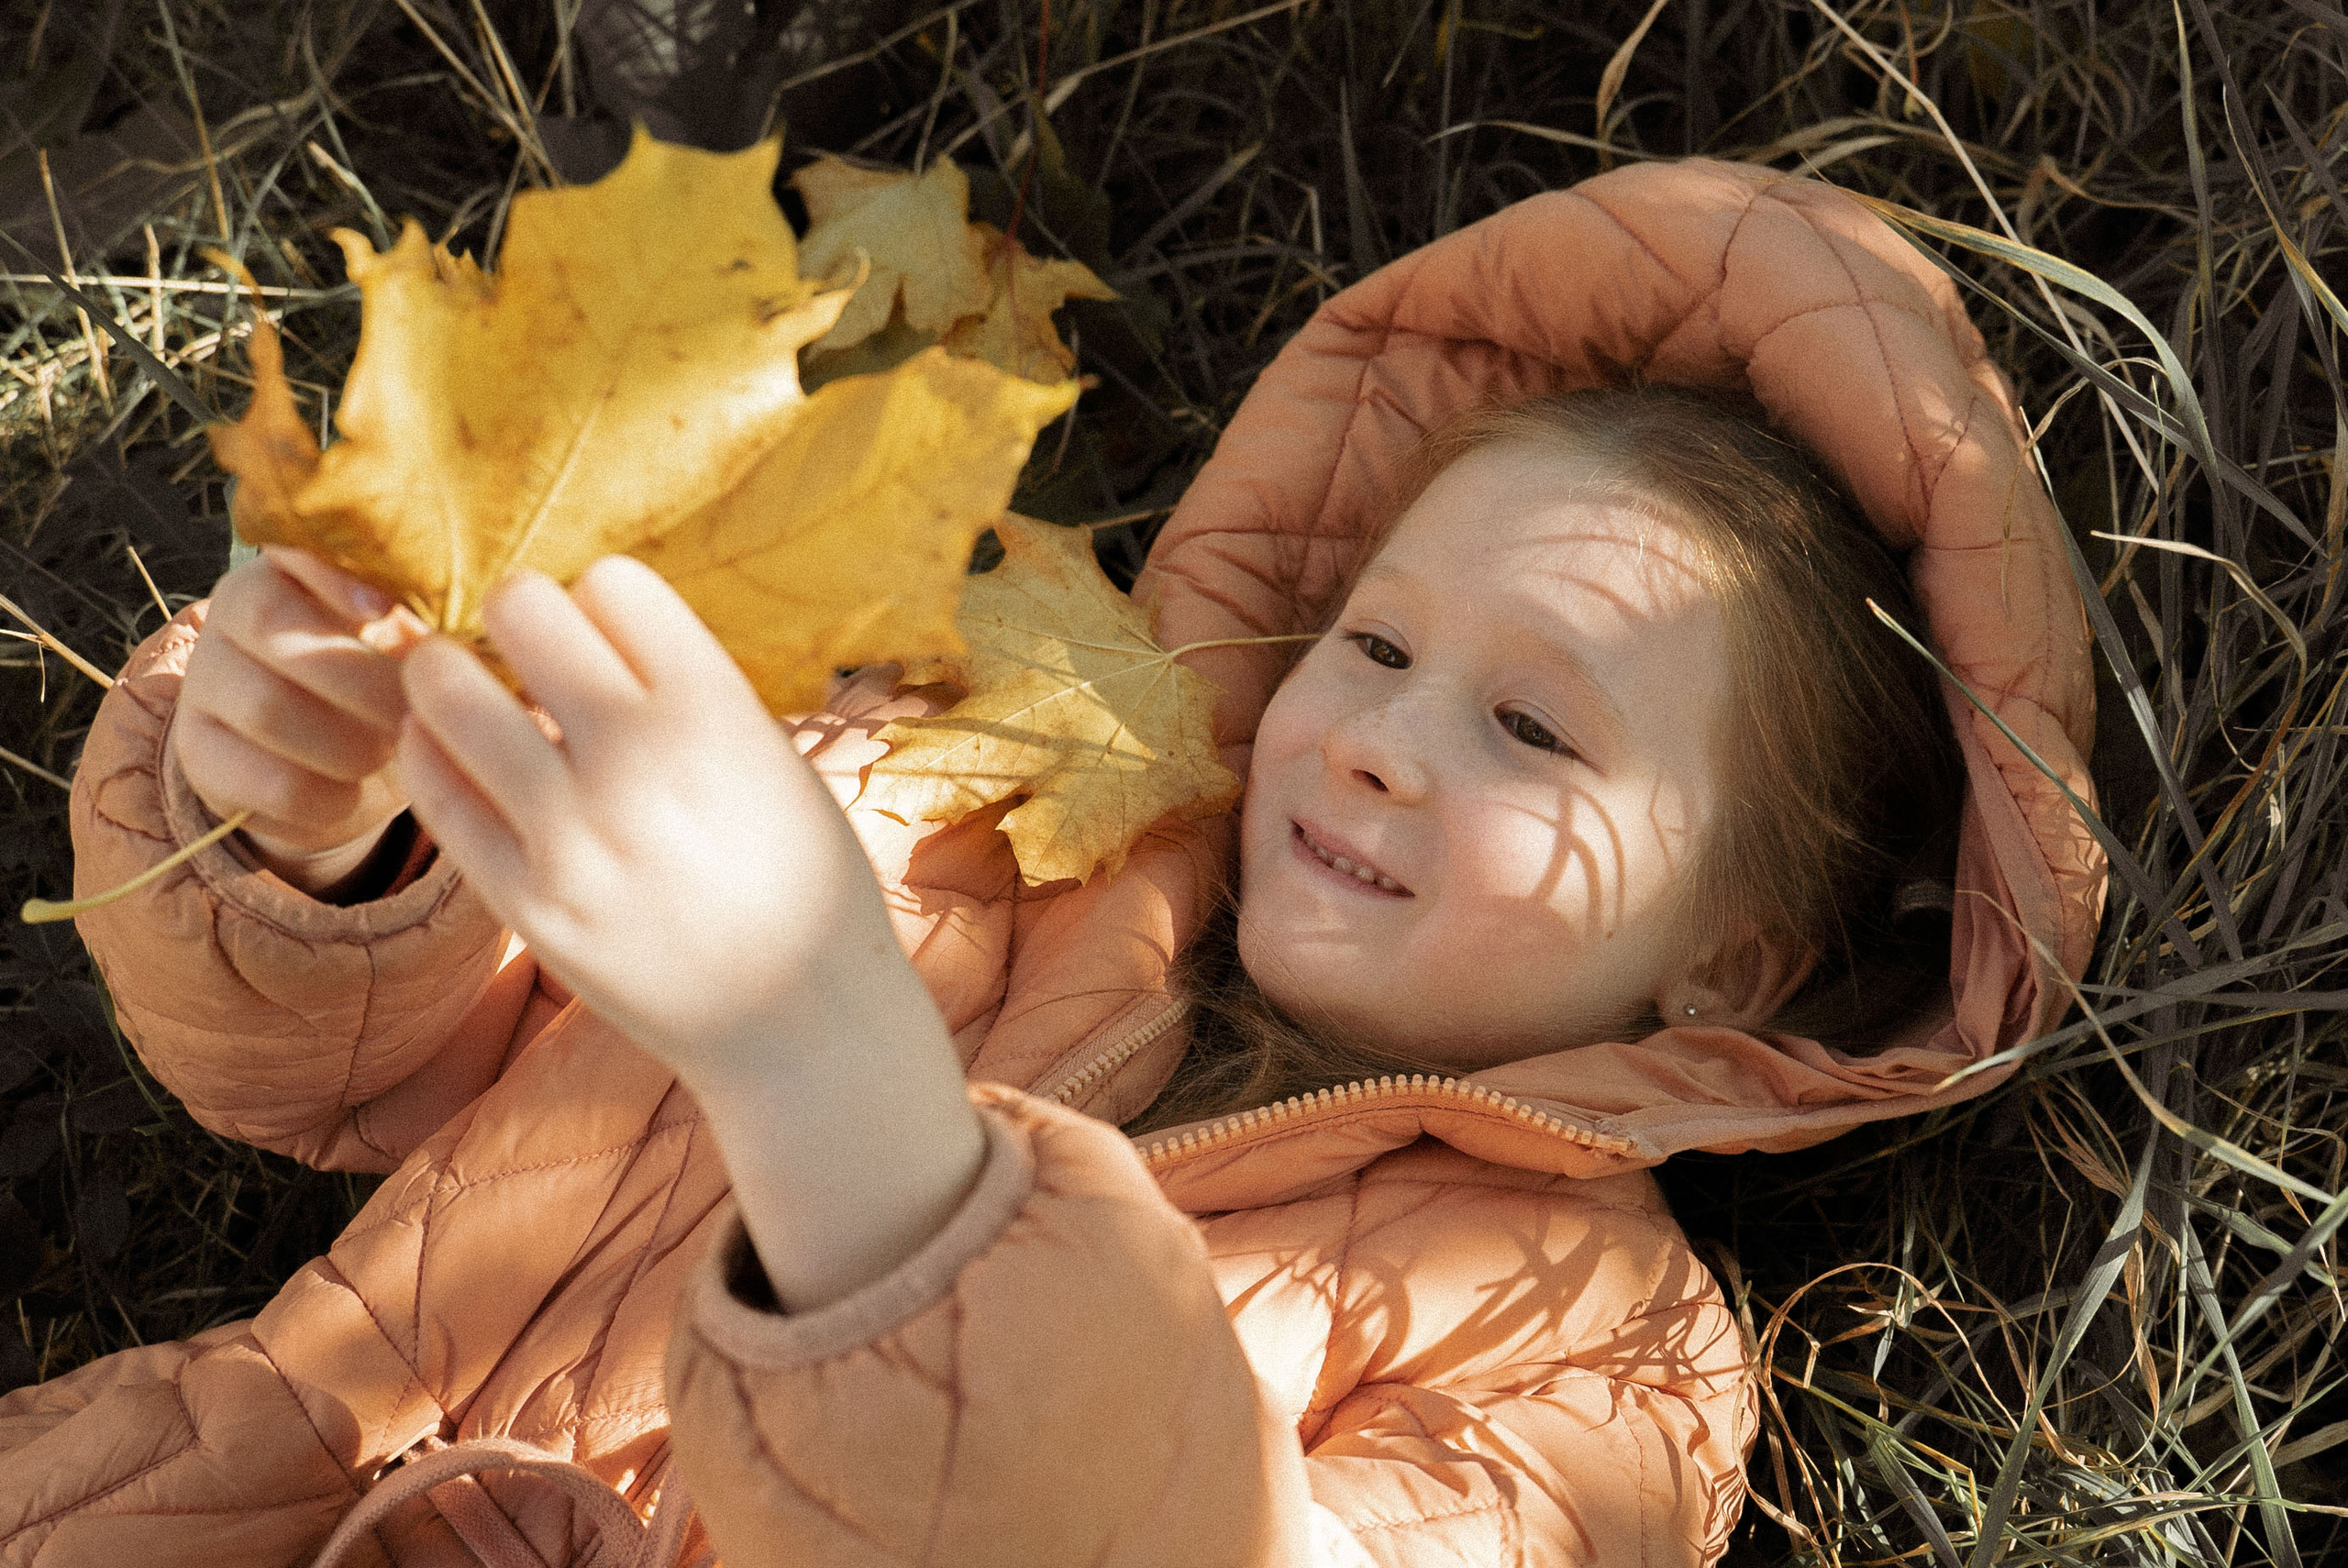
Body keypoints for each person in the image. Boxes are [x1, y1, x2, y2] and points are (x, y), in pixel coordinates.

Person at [0, 159, 2102, 1567]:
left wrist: (827, 1068)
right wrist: (325, 826)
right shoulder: (944, 808)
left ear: (1729, 961)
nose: (1371, 733)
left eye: (1532, 726)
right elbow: (339, 1064)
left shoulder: (1590, 1356)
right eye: (1368, 640)